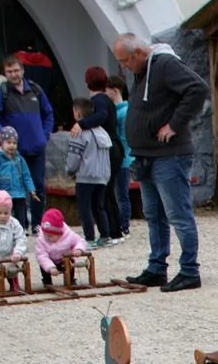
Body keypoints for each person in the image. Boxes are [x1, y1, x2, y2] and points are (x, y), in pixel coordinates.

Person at [112, 31, 208, 292]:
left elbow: (198, 88)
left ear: (138, 54)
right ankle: (157, 267)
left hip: (169, 154)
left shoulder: (165, 64)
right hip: (147, 155)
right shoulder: (142, 72)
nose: (123, 67)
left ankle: (189, 270)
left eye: (124, 61)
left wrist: (174, 125)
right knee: (154, 214)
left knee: (178, 213)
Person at [0, 53, 55, 228]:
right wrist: (0, 133)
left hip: (37, 146)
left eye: (16, 70)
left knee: (38, 185)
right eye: (9, 71)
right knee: (15, 188)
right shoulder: (2, 93)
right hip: (15, 149)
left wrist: (45, 133)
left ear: (22, 71)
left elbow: (48, 113)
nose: (14, 74)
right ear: (5, 73)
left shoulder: (36, 90)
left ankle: (38, 223)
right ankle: (17, 224)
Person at [69, 66, 125, 245]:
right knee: (107, 193)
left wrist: (82, 124)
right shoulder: (107, 100)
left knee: (102, 196)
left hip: (106, 152)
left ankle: (108, 233)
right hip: (113, 147)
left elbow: (101, 116)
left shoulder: (99, 100)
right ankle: (114, 231)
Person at [65, 98, 115, 248]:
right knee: (99, 206)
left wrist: (70, 170)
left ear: (78, 113)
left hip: (86, 177)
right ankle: (105, 236)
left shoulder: (79, 133)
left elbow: (74, 156)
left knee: (85, 208)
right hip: (102, 176)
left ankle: (89, 238)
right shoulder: (102, 132)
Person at [0, 126, 37, 229]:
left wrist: (31, 189)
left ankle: (21, 235)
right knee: (6, 218)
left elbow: (26, 175)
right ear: (2, 143)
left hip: (19, 194)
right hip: (4, 196)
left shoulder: (19, 159)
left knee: (20, 219)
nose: (12, 146)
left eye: (14, 143)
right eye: (9, 142)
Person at [33, 208, 91, 288]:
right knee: (43, 265)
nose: (47, 238)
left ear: (60, 233)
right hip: (50, 260)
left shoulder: (69, 235)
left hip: (64, 260)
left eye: (50, 236)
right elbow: (41, 255)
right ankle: (47, 281)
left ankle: (71, 280)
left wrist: (78, 249)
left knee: (70, 262)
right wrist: (50, 267)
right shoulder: (41, 239)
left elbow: (80, 241)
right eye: (45, 234)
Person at [106, 76, 134, 237]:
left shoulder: (122, 112)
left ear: (115, 91)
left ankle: (124, 225)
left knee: (122, 194)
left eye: (107, 90)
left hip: (123, 158)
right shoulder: (122, 111)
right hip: (123, 156)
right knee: (120, 193)